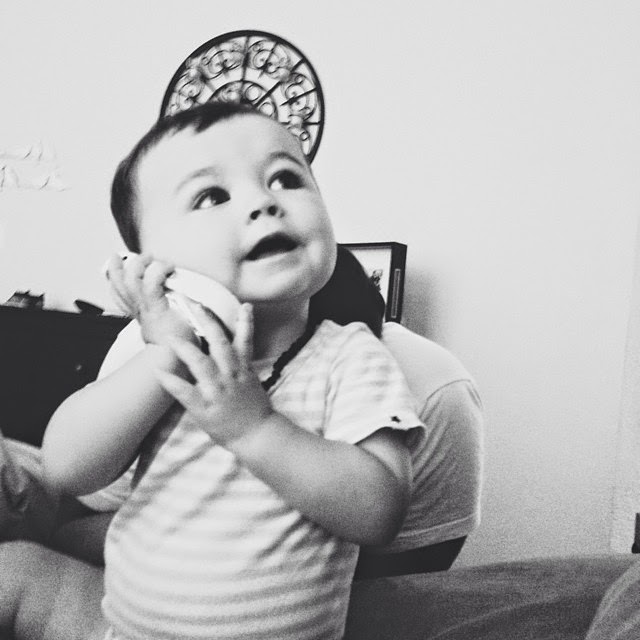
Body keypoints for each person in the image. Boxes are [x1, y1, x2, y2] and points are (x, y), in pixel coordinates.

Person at [39, 100, 425, 640]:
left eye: (287, 178)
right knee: (15, 569)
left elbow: (378, 512)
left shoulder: (349, 357)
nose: (265, 201)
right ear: (150, 264)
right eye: (211, 196)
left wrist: (254, 428)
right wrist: (167, 352)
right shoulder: (162, 357)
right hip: (125, 629)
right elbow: (66, 470)